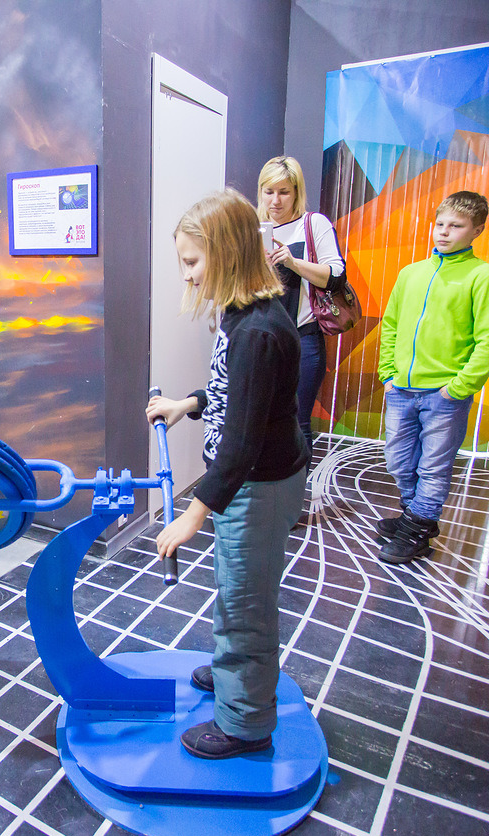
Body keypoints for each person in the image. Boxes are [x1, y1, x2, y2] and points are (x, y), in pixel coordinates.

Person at [147, 189, 309, 760]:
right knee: (236, 587)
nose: (187, 275)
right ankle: (230, 673)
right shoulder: (243, 315)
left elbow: (241, 444)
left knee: (247, 606)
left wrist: (192, 516)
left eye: (193, 261)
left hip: (257, 487)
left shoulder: (258, 330)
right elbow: (237, 394)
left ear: (228, 253)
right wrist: (188, 403)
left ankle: (245, 724)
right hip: (247, 483)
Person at [375, 190, 489, 563]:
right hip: (401, 388)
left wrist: (459, 387)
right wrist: (388, 373)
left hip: (444, 393)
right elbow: (391, 325)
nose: (445, 232)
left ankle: (416, 531)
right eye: (440, 224)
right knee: (398, 461)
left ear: (477, 230)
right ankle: (414, 516)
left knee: (433, 467)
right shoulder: (411, 273)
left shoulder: (484, 276)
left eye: (457, 226)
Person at [257, 155, 347, 463]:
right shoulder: (253, 228)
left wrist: (293, 262)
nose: (276, 200)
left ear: (296, 191)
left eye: (284, 192)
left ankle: (297, 490)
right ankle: (268, 485)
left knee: (297, 422)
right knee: (259, 419)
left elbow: (336, 276)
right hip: (261, 339)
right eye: (269, 191)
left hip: (302, 340)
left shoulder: (313, 224)